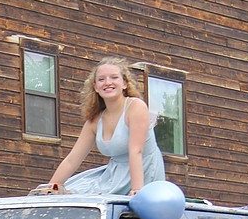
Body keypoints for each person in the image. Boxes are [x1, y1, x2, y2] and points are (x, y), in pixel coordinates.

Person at [46, 57, 166, 196]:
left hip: (143, 173)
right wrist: (49, 187)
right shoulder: (95, 121)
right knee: (67, 191)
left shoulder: (136, 107)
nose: (108, 82)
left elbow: (136, 151)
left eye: (114, 77)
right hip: (113, 176)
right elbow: (72, 160)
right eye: (101, 79)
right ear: (96, 87)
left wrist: (138, 190)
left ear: (125, 83)